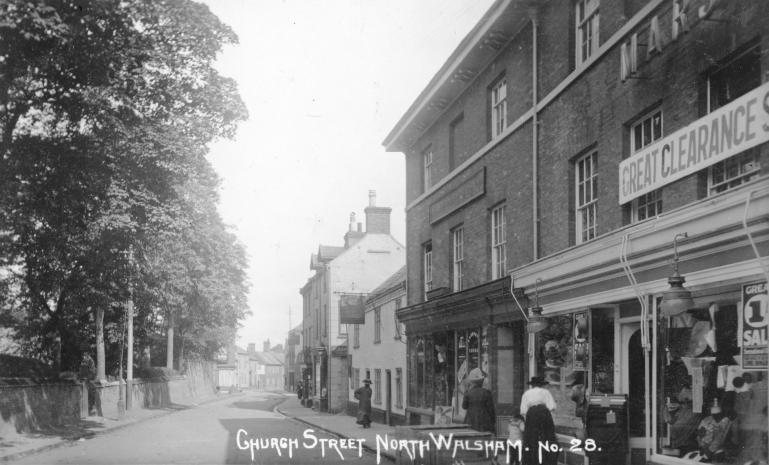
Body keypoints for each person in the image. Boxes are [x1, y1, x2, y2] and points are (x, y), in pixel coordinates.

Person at [520, 376, 558, 465]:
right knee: (547, 437)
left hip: (532, 414)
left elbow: (523, 411)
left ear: (532, 385)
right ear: (541, 385)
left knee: (531, 439)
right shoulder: (546, 392)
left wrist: (527, 423)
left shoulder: (527, 393)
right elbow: (552, 407)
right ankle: (547, 460)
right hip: (544, 413)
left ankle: (532, 461)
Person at [462, 368, 496, 434]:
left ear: (472, 382)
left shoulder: (468, 393)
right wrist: (493, 421)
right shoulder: (487, 393)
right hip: (485, 422)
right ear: (482, 382)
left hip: (471, 421)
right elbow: (491, 410)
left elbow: (464, 406)